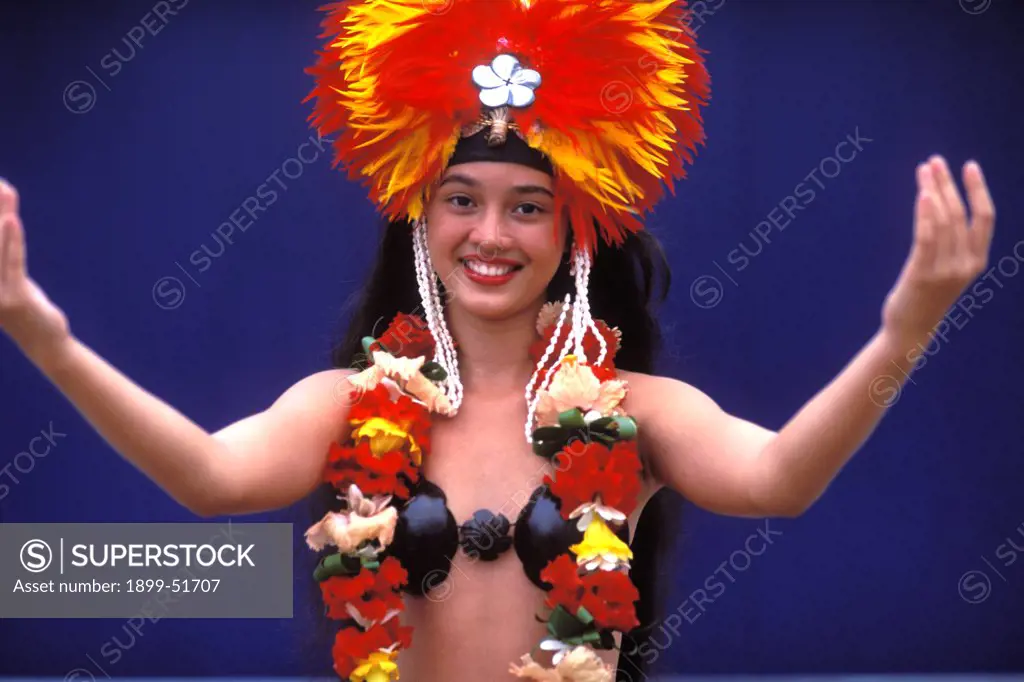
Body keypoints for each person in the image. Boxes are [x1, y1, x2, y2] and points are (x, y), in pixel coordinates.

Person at [0, 1, 997, 681]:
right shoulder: (348, 405)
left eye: (528, 206)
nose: (490, 234)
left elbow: (779, 477)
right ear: (419, 218)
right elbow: (211, 478)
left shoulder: (636, 413)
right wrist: (46, 337)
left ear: (571, 230)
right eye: (460, 200)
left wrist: (902, 332)